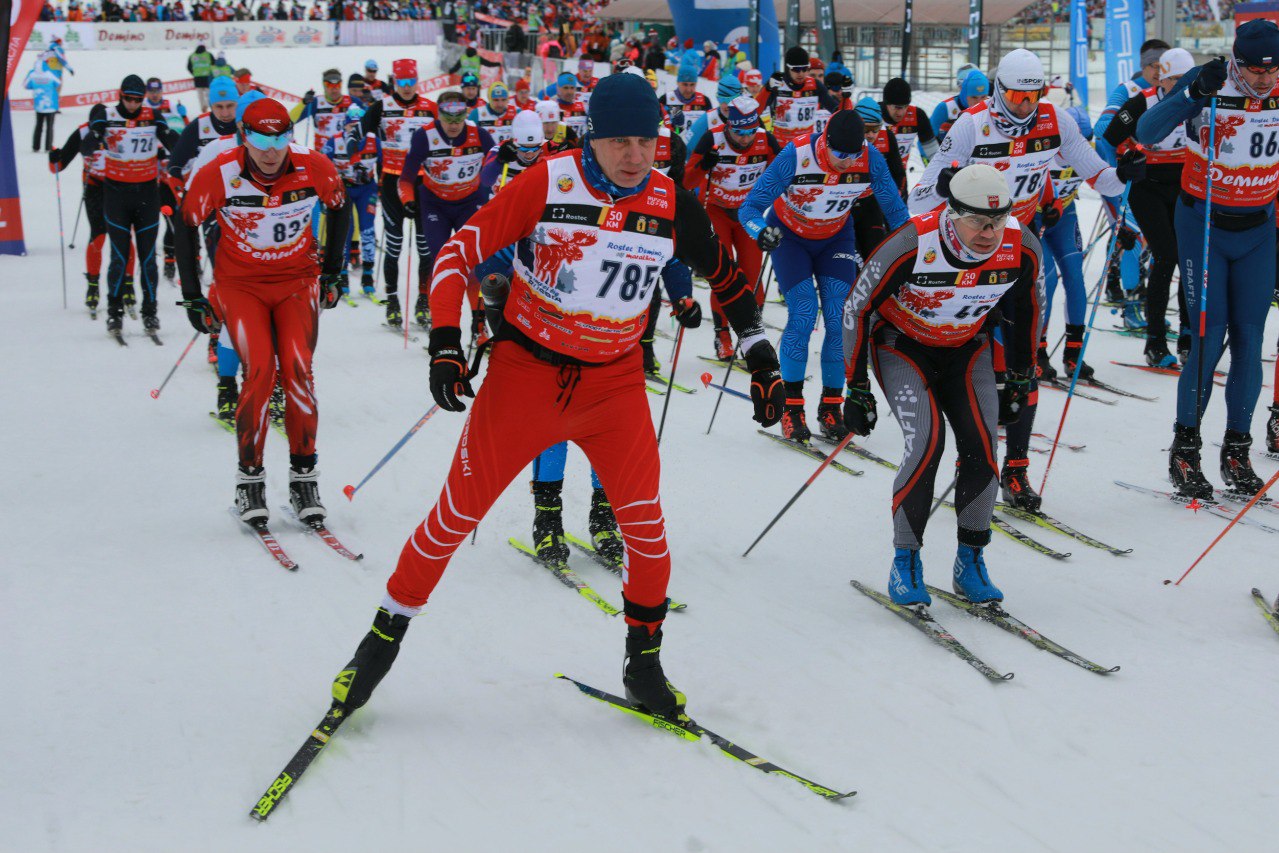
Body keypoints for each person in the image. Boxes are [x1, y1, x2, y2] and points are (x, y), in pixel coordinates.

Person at [324, 72, 784, 725]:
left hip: (613, 382)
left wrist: (760, 353)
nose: (633, 154)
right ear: (592, 138)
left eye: (645, 140)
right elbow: (459, 253)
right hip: (527, 376)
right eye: (619, 141)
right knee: (453, 518)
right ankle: (377, 645)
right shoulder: (548, 181)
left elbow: (729, 279)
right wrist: (447, 344)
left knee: (647, 530)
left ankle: (643, 662)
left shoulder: (668, 199)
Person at [911, 48, 1144, 511]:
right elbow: (920, 198)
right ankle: (968, 465)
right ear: (999, 91)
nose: (1023, 106)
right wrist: (944, 188)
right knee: (972, 357)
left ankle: (1016, 471)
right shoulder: (972, 125)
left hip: (1019, 243)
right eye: (1015, 96)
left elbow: (1099, 175)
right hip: (970, 251)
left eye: (1031, 96)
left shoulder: (1055, 119)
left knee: (1023, 361)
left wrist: (1123, 173)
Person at [841, 164, 1044, 607]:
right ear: (952, 213)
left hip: (966, 349)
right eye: (977, 221)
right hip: (902, 346)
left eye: (998, 221)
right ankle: (905, 561)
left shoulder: (1021, 245)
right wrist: (855, 386)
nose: (989, 233)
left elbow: (1029, 309)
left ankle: (970, 561)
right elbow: (856, 308)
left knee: (982, 448)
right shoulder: (913, 242)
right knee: (928, 443)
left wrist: (1022, 374)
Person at [175, 98, 350, 524]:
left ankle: (304, 475)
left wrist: (331, 273)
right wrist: (196, 295)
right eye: (259, 139)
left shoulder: (315, 166)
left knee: (297, 368)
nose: (270, 151)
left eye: (279, 138)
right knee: (260, 372)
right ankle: (249, 478)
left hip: (297, 282)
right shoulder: (220, 174)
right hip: (241, 286)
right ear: (243, 138)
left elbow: (339, 210)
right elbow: (185, 224)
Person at [1136, 21, 1279, 499]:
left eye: (1273, 70)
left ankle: (1237, 449)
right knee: (1208, 337)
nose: (1264, 80)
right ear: (1236, 60)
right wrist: (1191, 92)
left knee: (1250, 337)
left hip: (1258, 230)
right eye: (1255, 71)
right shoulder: (1209, 81)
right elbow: (1148, 133)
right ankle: (1185, 451)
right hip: (1204, 226)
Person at [740, 109, 909, 442]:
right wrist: (760, 232)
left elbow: (895, 209)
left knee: (838, 316)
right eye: (839, 154)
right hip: (789, 238)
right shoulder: (797, 156)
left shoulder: (869, 158)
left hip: (835, 238)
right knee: (803, 313)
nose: (847, 161)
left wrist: (914, 246)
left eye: (854, 153)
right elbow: (749, 207)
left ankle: (831, 406)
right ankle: (792, 407)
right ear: (826, 143)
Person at [1102, 47, 1194, 370]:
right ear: (1162, 79)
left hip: (1184, 186)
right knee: (1167, 254)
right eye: (1175, 80)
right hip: (1147, 188)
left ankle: (1187, 335)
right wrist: (1127, 158)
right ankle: (1155, 341)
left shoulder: (1199, 102)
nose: (1182, 87)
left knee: (1190, 258)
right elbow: (1109, 136)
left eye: (1188, 79)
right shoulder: (1143, 102)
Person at [81, 75, 180, 337]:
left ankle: (150, 312)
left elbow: (171, 140)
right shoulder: (108, 114)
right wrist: (95, 134)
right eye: (129, 98)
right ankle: (115, 313)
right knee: (120, 257)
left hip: (147, 194)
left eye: (138, 99)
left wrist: (179, 149)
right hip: (116, 195)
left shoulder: (153, 114)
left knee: (148, 258)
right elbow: (87, 143)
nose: (134, 104)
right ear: (120, 95)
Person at [684, 96, 781, 357]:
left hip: (749, 214)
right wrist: (705, 165)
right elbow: (685, 179)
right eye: (739, 132)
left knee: (751, 275)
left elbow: (783, 175)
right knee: (724, 274)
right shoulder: (712, 139)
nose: (745, 139)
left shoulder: (765, 140)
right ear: (729, 125)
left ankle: (753, 336)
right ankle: (722, 335)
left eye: (750, 131)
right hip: (717, 212)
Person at [397, 91, 496, 328]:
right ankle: (439, 320)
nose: (453, 124)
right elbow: (406, 179)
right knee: (441, 260)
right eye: (447, 118)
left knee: (473, 262)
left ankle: (478, 324)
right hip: (435, 205)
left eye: (459, 117)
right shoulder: (425, 137)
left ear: (466, 114)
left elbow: (498, 166)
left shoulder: (479, 135)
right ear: (438, 114)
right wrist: (408, 201)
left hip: (469, 203)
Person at [356, 58, 437, 326]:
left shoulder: (429, 108)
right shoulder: (382, 107)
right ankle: (392, 300)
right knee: (395, 244)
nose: (406, 87)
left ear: (417, 81)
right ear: (394, 82)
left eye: (411, 82)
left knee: (425, 248)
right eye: (401, 82)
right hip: (391, 181)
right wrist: (358, 147)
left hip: (423, 183)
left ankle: (423, 301)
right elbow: (360, 131)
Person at [1096, 38, 1172, 322]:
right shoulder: (1130, 90)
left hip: (1152, 180)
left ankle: (1143, 301)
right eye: (1152, 66)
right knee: (1133, 239)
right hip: (1118, 176)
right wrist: (1132, 142)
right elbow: (1102, 128)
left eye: (1162, 66)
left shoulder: (1170, 91)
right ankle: (1130, 306)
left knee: (1154, 242)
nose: (1157, 71)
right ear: (1143, 66)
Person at [1029, 90, 1098, 389]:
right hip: (1037, 218)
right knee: (1049, 280)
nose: (1079, 147)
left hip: (1065, 216)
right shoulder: (1044, 148)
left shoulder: (1088, 149)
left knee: (1075, 277)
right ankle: (1038, 351)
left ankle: (1074, 351)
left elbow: (1108, 185)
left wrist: (1125, 224)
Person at [755, 46, 839, 146]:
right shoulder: (777, 84)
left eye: (805, 69)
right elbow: (756, 111)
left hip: (805, 146)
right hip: (781, 146)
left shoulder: (815, 85)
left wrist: (846, 100)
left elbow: (836, 110)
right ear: (787, 68)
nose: (801, 73)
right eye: (796, 69)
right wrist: (768, 88)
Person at [881, 77, 938, 169]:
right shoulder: (873, 115)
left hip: (899, 177)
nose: (901, 112)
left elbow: (933, 153)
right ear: (886, 103)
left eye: (905, 106)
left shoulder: (917, 116)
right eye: (897, 107)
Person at [681, 74, 741, 157]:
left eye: (730, 101)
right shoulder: (707, 120)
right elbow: (685, 149)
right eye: (721, 99)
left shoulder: (748, 117)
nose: (725, 105)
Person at [930, 67, 989, 145]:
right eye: (974, 97)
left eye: (983, 97)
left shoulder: (991, 106)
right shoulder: (945, 108)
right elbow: (925, 139)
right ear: (965, 94)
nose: (979, 102)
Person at [663, 64, 713, 135]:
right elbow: (656, 125)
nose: (688, 90)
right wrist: (671, 124)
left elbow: (711, 127)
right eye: (685, 84)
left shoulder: (705, 101)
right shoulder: (665, 100)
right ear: (678, 82)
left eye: (692, 85)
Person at [24, 56, 61, 152]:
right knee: (49, 127)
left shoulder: (32, 74)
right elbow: (58, 83)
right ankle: (48, 147)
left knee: (38, 125)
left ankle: (36, 146)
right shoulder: (50, 74)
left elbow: (26, 85)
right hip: (51, 105)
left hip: (38, 105)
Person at [188, 44, 213, 110]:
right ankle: (210, 106)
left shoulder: (192, 55)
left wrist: (194, 73)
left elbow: (189, 66)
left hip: (197, 78)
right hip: (207, 77)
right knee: (209, 93)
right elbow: (214, 64)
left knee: (200, 94)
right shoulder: (208, 55)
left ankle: (203, 107)